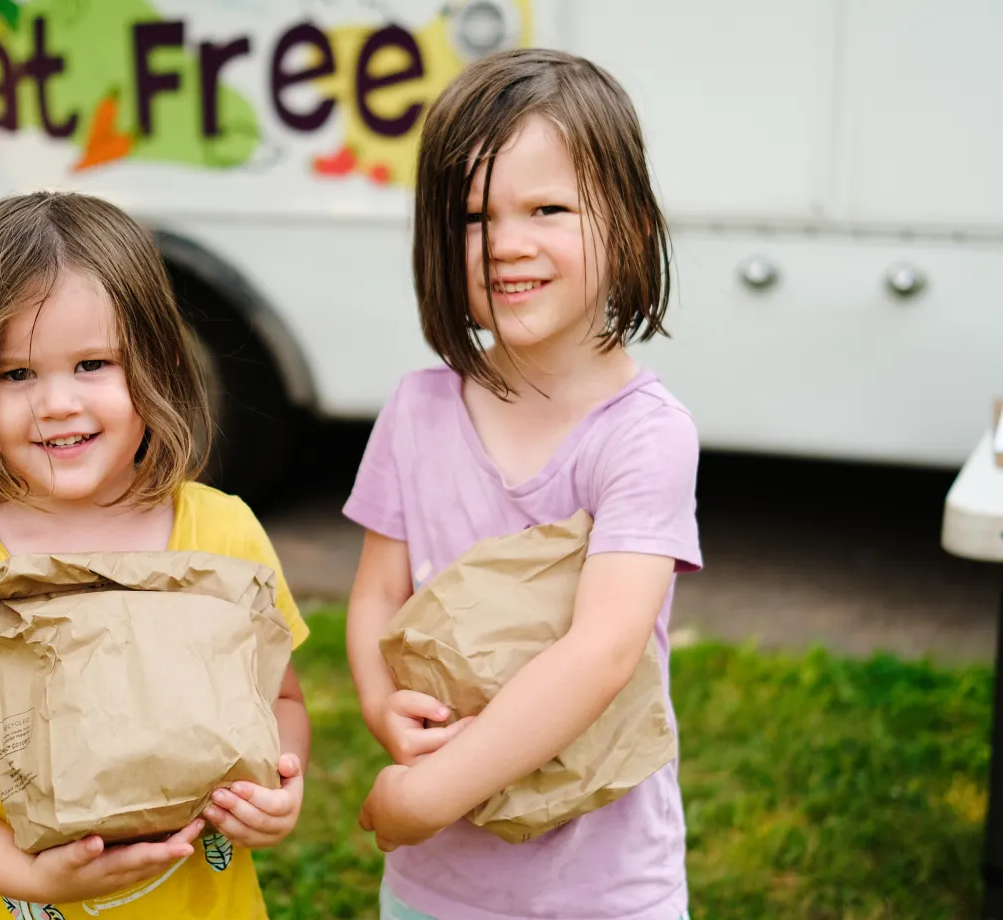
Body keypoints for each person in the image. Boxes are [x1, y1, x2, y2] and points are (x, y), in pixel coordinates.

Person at [0, 191, 311, 920]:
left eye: (93, 363)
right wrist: (28, 877)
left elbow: (279, 700)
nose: (57, 402)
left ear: (157, 365)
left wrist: (282, 786)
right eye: (16, 375)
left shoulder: (224, 536)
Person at [344, 48, 702, 920]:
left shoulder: (646, 436)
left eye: (546, 208)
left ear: (628, 225)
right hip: (437, 891)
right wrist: (384, 707)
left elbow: (602, 652)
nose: (506, 244)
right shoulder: (416, 410)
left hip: (603, 891)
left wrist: (423, 799)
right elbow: (374, 598)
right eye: (474, 216)